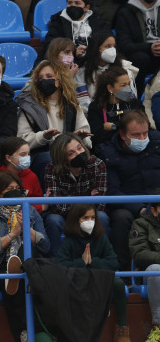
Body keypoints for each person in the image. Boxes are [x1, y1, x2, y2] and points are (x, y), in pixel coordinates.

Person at [0, 170, 50, 342]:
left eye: (18, 188)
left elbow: (46, 246)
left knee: (20, 274)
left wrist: (29, 232)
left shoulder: (30, 211)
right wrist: (12, 235)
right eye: (10, 189)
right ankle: (29, 332)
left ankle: (23, 334)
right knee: (14, 279)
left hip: (29, 263)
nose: (15, 192)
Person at [56, 204, 130, 342]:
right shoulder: (69, 240)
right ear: (76, 219)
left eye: (93, 217)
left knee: (119, 284)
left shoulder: (101, 237)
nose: (90, 221)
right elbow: (60, 265)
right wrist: (81, 262)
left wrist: (92, 262)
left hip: (99, 278)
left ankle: (122, 330)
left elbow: (114, 262)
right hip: (77, 280)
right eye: (85, 218)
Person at [101, 110, 160, 270]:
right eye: (136, 135)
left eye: (145, 133)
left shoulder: (157, 143)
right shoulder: (109, 153)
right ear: (122, 134)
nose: (142, 139)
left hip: (157, 201)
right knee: (121, 218)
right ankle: (123, 272)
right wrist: (140, 209)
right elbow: (112, 191)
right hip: (127, 206)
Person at [16, 60, 92, 184]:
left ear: (60, 79)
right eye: (40, 78)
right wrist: (43, 136)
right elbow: (22, 140)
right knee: (48, 159)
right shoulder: (29, 106)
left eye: (49, 76)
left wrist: (80, 138)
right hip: (41, 155)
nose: (44, 80)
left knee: (94, 161)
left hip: (70, 152)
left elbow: (88, 141)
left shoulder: (72, 106)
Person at [44, 132, 109, 256]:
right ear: (62, 159)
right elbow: (56, 207)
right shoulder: (51, 168)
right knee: (53, 220)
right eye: (71, 153)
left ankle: (99, 259)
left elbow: (100, 204)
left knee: (102, 217)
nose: (79, 153)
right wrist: (87, 200)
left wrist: (68, 201)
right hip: (65, 218)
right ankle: (55, 263)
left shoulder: (97, 164)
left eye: (79, 148)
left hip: (89, 215)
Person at [114, 0, 160, 90]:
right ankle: (136, 100)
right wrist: (149, 47)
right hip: (140, 56)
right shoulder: (125, 12)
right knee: (140, 58)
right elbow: (124, 45)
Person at [76, 29, 139, 112]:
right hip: (95, 114)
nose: (112, 50)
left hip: (123, 112)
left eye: (114, 46)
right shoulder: (83, 71)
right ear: (96, 48)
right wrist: (99, 115)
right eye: (107, 46)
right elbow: (84, 102)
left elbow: (130, 97)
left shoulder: (124, 68)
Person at [43, 0, 109, 60]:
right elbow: (51, 45)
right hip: (65, 63)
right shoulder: (58, 21)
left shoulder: (97, 20)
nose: (73, 6)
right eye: (70, 3)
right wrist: (73, 53)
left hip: (93, 61)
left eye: (77, 3)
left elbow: (108, 43)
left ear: (86, 7)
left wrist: (90, 51)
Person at [128, 188, 160, 340]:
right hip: (152, 274)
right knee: (156, 270)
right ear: (153, 210)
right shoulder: (140, 224)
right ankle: (158, 327)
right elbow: (139, 253)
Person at [87, 66, 144, 148]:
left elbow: (144, 126)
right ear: (110, 88)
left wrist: (114, 126)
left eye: (129, 84)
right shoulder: (96, 107)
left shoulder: (135, 103)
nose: (128, 88)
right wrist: (129, 129)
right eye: (123, 85)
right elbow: (97, 137)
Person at [0, 137, 43, 213]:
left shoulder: (31, 176)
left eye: (28, 154)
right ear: (8, 158)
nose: (27, 157)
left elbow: (38, 201)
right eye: (23, 154)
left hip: (27, 219)